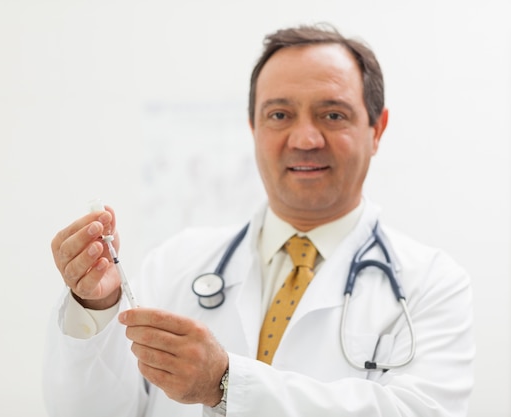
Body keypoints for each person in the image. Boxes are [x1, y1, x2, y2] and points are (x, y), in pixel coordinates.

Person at [44, 23, 475, 417]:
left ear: (377, 129)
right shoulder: (176, 264)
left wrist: (228, 383)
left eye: (333, 115)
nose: (305, 139)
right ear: (253, 126)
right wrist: (96, 309)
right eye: (280, 115)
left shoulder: (431, 285)